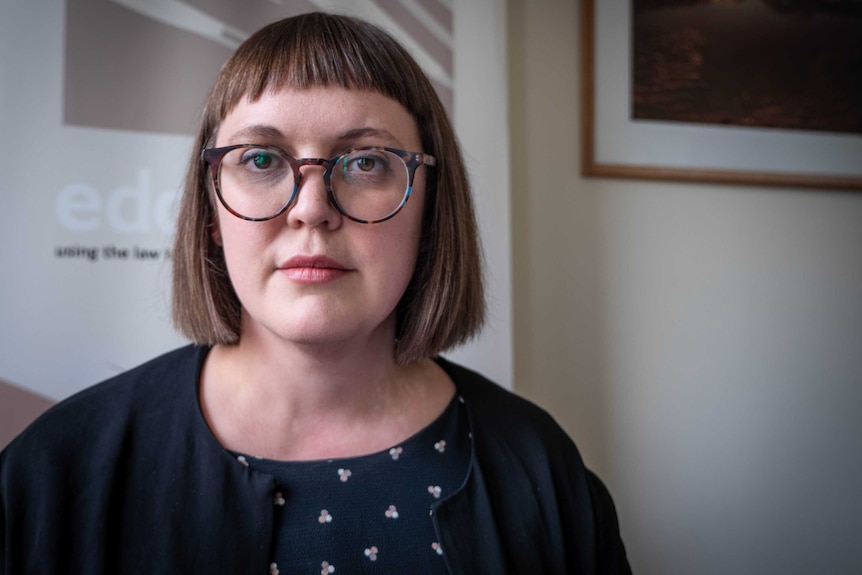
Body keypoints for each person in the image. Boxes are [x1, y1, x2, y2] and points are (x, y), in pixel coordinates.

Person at [0, 12, 630, 575]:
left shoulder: (540, 469)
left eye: (365, 162)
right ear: (209, 214)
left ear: (430, 210)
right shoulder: (53, 473)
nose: (311, 209)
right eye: (261, 160)